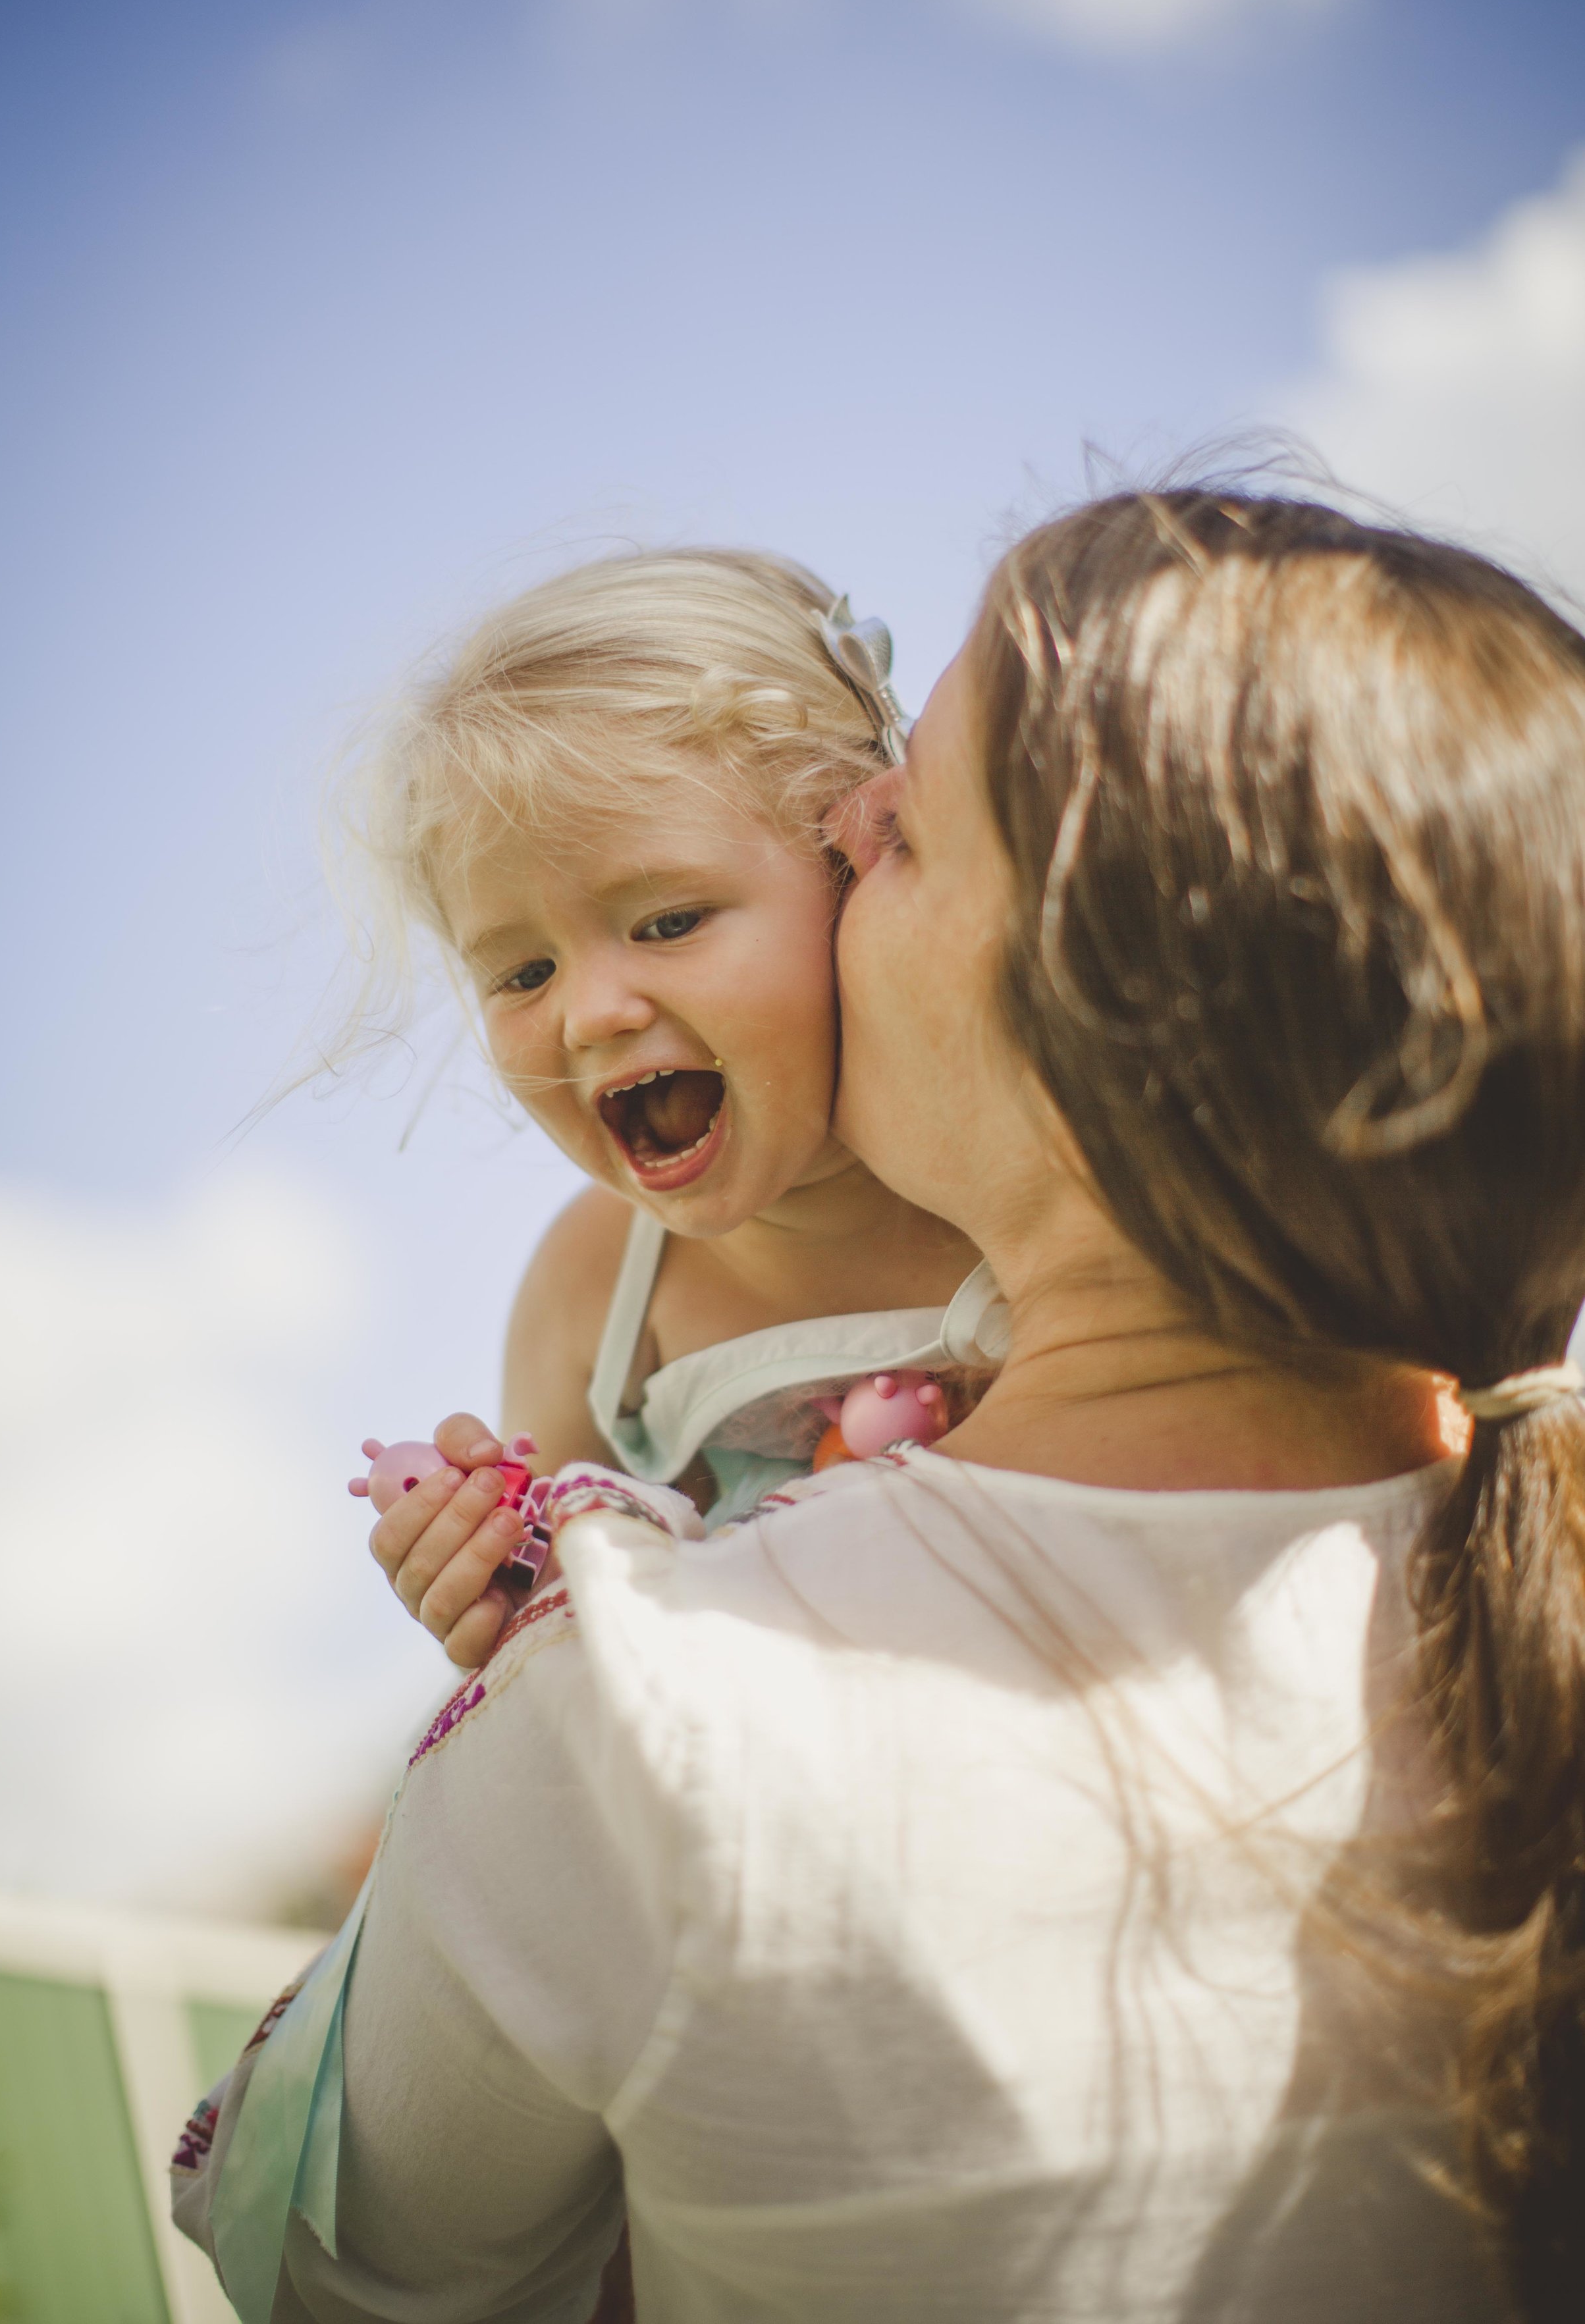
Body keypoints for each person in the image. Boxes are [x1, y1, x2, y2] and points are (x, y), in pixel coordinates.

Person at [177, 490, 1585, 2321]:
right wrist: (516, 1584)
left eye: (905, 831)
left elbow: (337, 2265)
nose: (855, 831)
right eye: (512, 966)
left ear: (1094, 1019)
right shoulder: (1474, 1527)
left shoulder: (653, 1727)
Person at [333, 546, 990, 1671]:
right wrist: (496, 1582)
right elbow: (587, 1654)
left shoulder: (1023, 1135)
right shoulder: (598, 1299)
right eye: (522, 974)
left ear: (855, 852)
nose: (590, 1013)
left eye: (669, 921)